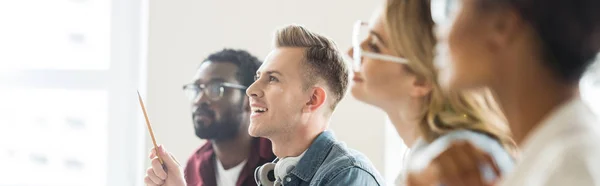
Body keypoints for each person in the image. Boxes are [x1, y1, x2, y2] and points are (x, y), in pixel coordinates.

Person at [347, 0, 515, 185]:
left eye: (374, 46)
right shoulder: (426, 158)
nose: (350, 52)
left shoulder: (455, 166)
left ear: (421, 79)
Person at [432, 0, 600, 185]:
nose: (439, 31)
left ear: (501, 26)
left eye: (456, 7)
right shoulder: (554, 158)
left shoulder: (570, 169)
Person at [246, 24, 384, 186]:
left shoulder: (347, 175)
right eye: (258, 77)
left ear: (313, 99)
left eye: (273, 79)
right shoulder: (280, 175)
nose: (251, 90)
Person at [144, 49, 275, 186]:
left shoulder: (279, 161)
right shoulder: (194, 165)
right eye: (197, 88)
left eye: (216, 88)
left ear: (249, 100)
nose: (200, 100)